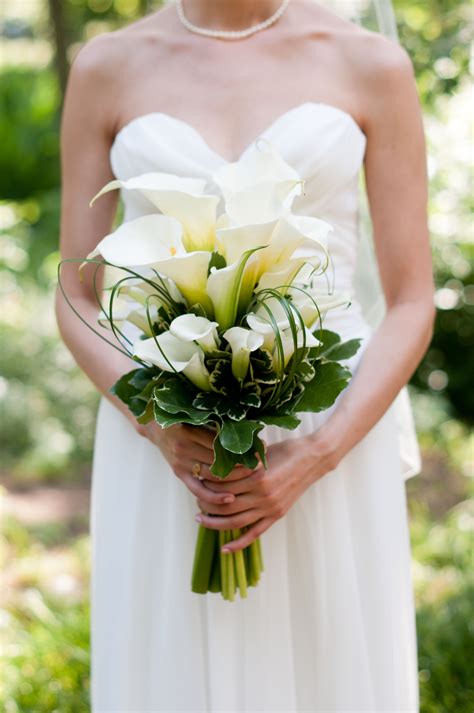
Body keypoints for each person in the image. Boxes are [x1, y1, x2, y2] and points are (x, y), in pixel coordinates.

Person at [55, 0, 435, 710]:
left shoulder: (370, 63)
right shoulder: (107, 65)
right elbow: (76, 291)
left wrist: (316, 455)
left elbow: (412, 298)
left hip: (329, 432)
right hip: (166, 432)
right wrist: (154, 419)